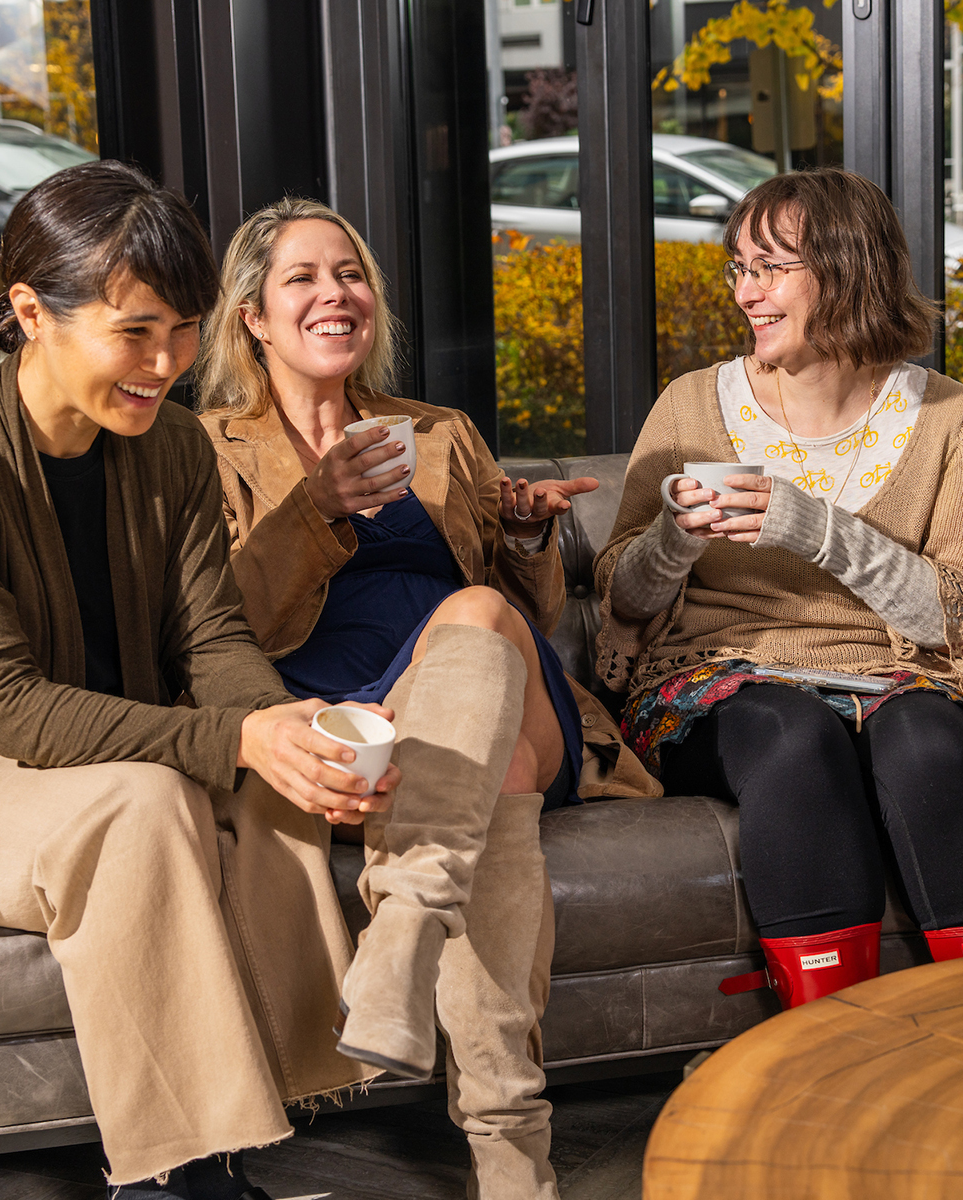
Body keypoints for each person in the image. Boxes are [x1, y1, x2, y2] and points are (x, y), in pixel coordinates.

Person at [0, 162, 398, 1200]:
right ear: (29, 314)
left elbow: (211, 638)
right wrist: (234, 739)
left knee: (275, 771)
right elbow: (12, 712)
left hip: (120, 761)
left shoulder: (172, 446)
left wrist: (283, 726)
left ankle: (282, 1100)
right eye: (134, 332)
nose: (167, 365)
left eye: (183, 331)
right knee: (148, 803)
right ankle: (179, 1177)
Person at [195, 197, 651, 1199]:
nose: (336, 293)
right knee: (498, 781)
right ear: (252, 317)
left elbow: (532, 611)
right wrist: (316, 508)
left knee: (481, 611)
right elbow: (224, 624)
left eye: (350, 273)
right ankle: (511, 1153)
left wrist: (526, 534)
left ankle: (402, 931)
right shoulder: (207, 452)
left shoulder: (440, 433)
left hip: (491, 677)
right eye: (303, 278)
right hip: (350, 723)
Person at [592, 168, 963, 1010]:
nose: (745, 293)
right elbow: (622, 598)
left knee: (930, 749)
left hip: (895, 676)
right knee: (794, 739)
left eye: (770, 268)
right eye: (739, 268)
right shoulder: (690, 405)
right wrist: (673, 538)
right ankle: (829, 1043)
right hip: (715, 676)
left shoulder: (955, 419)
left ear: (847, 267)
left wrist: (813, 527)